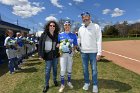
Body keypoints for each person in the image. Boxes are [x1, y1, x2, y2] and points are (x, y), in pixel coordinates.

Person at [78, 12, 102, 93]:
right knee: (85, 69)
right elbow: (79, 39)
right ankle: (87, 83)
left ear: (89, 17)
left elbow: (99, 40)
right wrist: (78, 46)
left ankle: (95, 85)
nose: (85, 18)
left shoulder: (96, 26)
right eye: (83, 17)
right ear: (82, 19)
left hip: (93, 52)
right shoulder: (80, 28)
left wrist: (99, 53)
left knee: (94, 69)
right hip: (83, 53)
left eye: (86, 17)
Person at [38, 20, 60, 93]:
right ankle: (46, 85)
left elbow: (59, 43)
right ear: (48, 26)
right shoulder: (44, 34)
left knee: (55, 69)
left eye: (54, 26)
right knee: (47, 71)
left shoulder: (57, 35)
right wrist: (40, 55)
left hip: (55, 55)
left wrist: (58, 45)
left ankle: (55, 80)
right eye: (51, 25)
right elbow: (40, 45)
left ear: (55, 27)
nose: (52, 27)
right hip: (47, 56)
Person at [58, 21, 78, 93]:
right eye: (65, 25)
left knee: (69, 69)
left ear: (70, 26)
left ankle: (69, 82)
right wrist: (59, 49)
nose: (67, 26)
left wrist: (73, 49)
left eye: (68, 25)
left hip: (70, 54)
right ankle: (62, 84)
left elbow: (75, 44)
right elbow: (57, 44)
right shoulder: (60, 35)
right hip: (62, 55)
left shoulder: (73, 35)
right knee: (63, 69)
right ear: (64, 26)